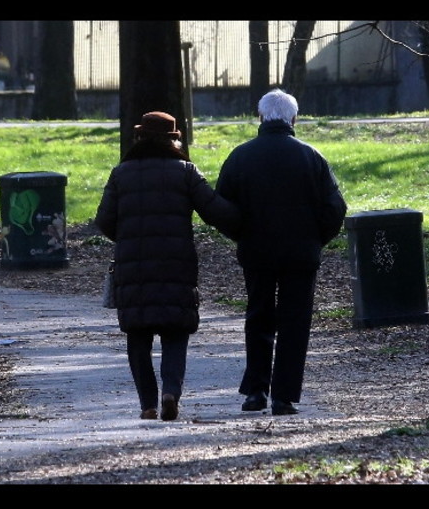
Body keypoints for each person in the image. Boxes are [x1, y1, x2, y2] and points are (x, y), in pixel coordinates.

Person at [94, 111, 241, 421]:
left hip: (133, 268)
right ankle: (170, 392)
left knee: (138, 336)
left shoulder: (121, 173)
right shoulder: (185, 172)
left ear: (138, 139)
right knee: (175, 332)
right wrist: (249, 220)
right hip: (176, 265)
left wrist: (128, 237)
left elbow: (104, 220)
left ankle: (147, 404)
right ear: (174, 140)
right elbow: (216, 212)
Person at [215, 89, 347, 416]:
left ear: (260, 118)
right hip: (301, 254)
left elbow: (221, 207)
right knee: (295, 322)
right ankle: (283, 396)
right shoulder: (311, 157)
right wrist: (317, 239)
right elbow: (336, 207)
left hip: (256, 251)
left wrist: (240, 235)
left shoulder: (240, 156)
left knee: (258, 316)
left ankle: (255, 391)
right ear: (294, 119)